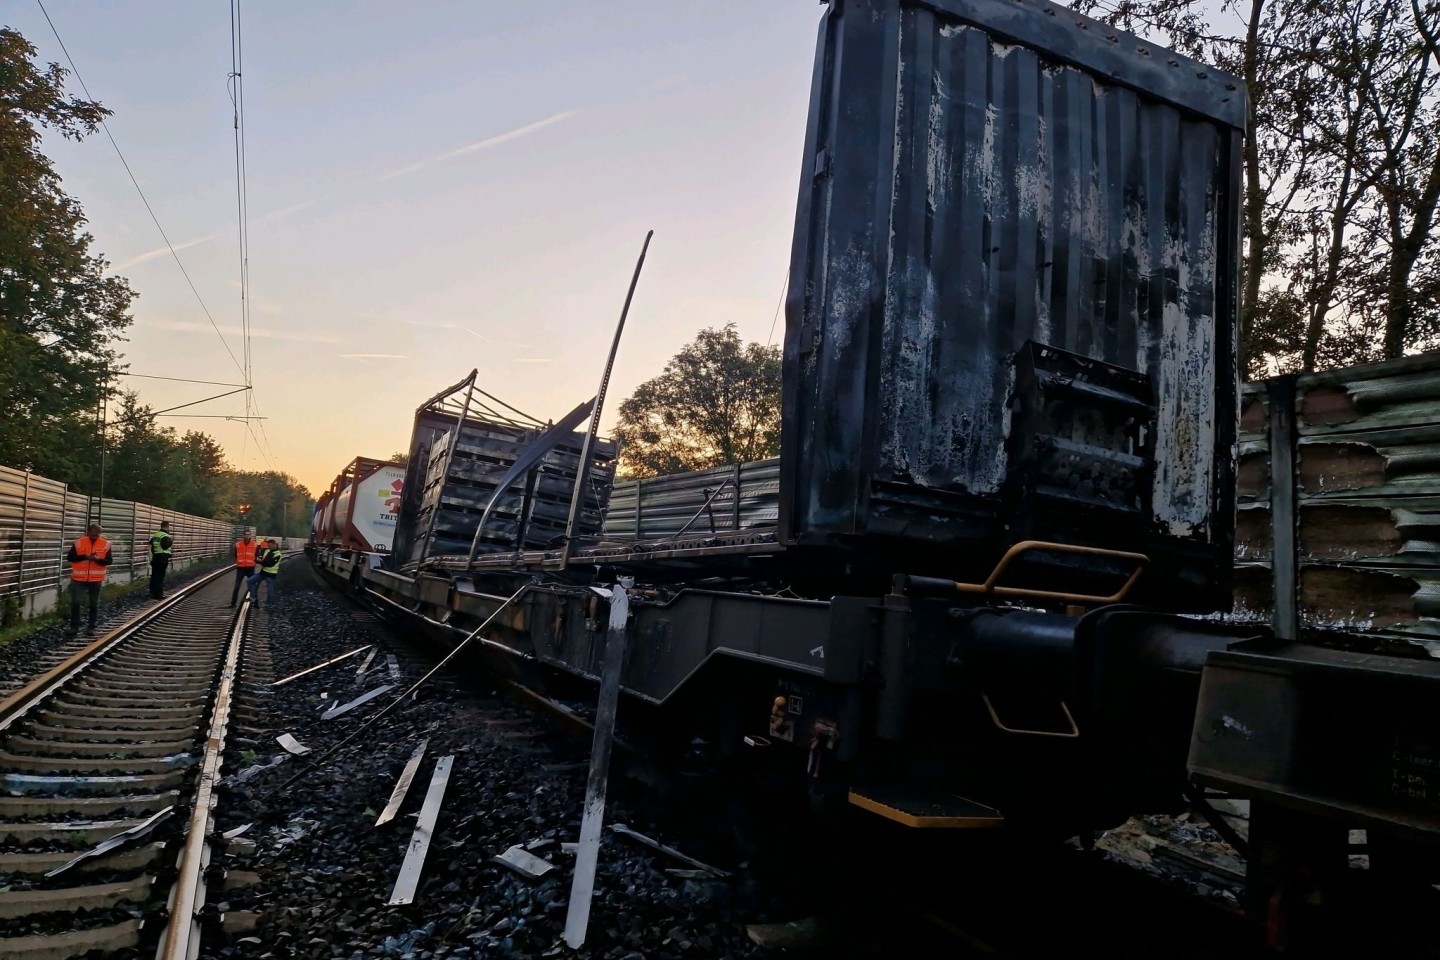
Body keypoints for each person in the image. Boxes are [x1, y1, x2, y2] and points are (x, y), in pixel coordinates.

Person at [66, 523, 113, 637]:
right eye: (93, 535)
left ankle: (91, 627)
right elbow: (70, 557)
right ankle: (74, 627)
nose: (95, 537)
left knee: (93, 604)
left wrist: (97, 559)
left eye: (97, 535)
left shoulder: (105, 544)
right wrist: (85, 557)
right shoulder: (79, 542)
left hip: (95, 579)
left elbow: (109, 561)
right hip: (78, 578)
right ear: (88, 532)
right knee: (76, 603)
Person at [247, 538, 282, 607]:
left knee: (270, 590)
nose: (270, 547)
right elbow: (263, 559)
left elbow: (269, 564)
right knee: (249, 581)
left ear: (275, 545)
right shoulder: (267, 551)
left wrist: (260, 562)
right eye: (269, 545)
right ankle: (253, 597)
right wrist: (258, 560)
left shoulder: (278, 554)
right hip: (263, 573)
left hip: (271, 575)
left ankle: (270, 604)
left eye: (271, 545)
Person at [230, 529, 257, 607]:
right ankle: (233, 604)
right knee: (237, 586)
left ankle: (256, 604)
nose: (247, 536)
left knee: (253, 586)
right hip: (241, 568)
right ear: (243, 535)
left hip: (250, 568)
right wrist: (238, 562)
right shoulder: (238, 544)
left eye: (248, 534)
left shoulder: (254, 545)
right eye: (245, 534)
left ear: (250, 535)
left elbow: (256, 555)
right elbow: (235, 555)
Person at [148, 520, 173, 599]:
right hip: (162, 558)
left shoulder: (156, 535)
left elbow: (151, 547)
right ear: (167, 526)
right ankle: (159, 594)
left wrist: (150, 558)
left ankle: (152, 592)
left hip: (155, 557)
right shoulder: (165, 536)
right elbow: (165, 546)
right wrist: (171, 541)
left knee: (154, 575)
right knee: (160, 576)